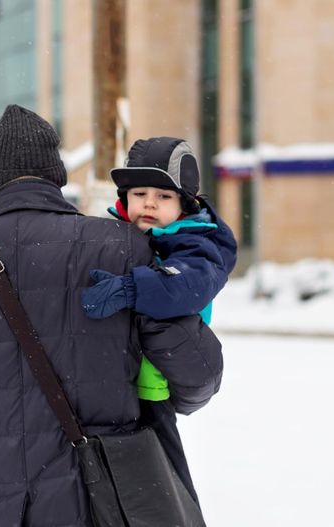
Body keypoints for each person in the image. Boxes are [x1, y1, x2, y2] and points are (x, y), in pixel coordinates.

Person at [0, 105, 224, 527]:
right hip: (105, 503)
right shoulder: (121, 247)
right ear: (56, 177)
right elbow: (199, 373)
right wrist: (158, 399)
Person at [80, 136, 238, 503]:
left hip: (156, 385)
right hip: (114, 377)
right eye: (139, 194)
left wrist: (131, 288)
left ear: (184, 205)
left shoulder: (195, 243)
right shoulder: (111, 234)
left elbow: (188, 285)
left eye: (164, 196)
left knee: (164, 484)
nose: (149, 203)